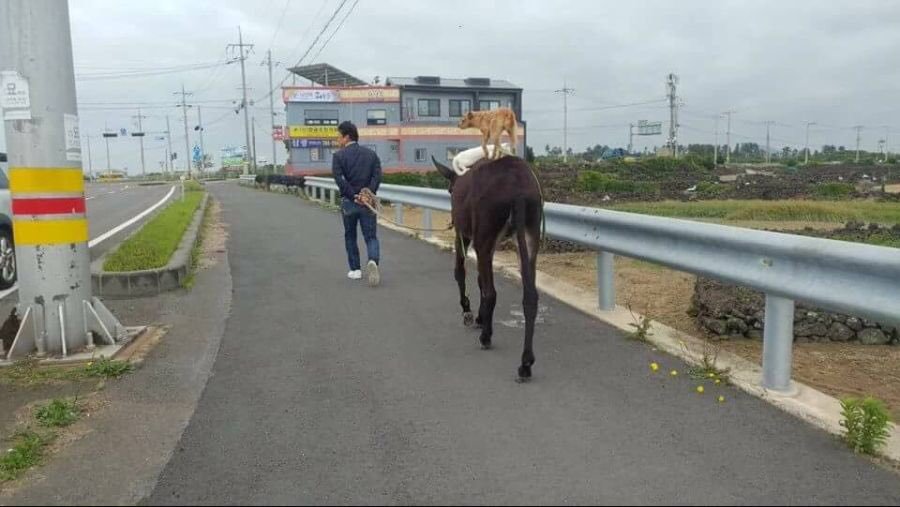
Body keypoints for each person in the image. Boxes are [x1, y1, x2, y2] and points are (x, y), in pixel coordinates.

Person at [331, 121, 382, 286]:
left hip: (349, 203)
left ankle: (355, 270)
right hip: (368, 203)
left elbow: (340, 180)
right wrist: (367, 193)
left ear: (346, 137)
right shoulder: (371, 155)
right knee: (371, 236)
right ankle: (373, 261)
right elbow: (377, 176)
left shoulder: (338, 156)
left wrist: (354, 195)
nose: (337, 139)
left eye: (339, 136)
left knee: (350, 235)